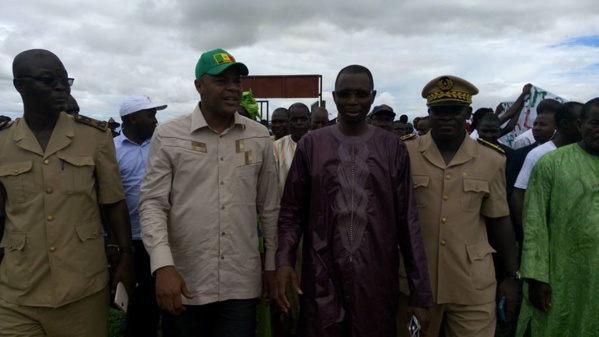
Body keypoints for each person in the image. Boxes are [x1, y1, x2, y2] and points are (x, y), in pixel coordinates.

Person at [275, 64, 433, 337]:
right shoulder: (312, 146)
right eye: (345, 94)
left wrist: (420, 294)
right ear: (334, 97)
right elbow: (292, 212)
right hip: (321, 273)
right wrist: (284, 260)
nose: (352, 101)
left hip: (376, 276)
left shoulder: (392, 147)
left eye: (360, 94)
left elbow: (408, 221)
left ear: (372, 97)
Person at [138, 48, 279, 337]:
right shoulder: (169, 136)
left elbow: (270, 207)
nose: (232, 89)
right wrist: (163, 266)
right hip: (185, 280)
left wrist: (272, 264)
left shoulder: (258, 136)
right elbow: (153, 204)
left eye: (236, 81)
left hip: (240, 281)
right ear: (199, 86)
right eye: (221, 81)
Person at [0, 49, 134, 337]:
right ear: (19, 85)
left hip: (82, 287)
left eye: (65, 80)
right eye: (49, 80)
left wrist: (125, 255)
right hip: (17, 289)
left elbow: (113, 202)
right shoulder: (3, 142)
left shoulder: (94, 137)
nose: (60, 87)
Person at [399, 75, 519, 337]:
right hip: (416, 285)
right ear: (429, 113)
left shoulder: (491, 159)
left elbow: (499, 219)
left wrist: (511, 276)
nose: (446, 117)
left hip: (472, 284)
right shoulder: (404, 154)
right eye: (439, 111)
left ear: (468, 113)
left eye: (454, 110)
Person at [517, 98, 599, 336]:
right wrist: (536, 278)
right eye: (595, 122)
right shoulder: (551, 163)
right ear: (581, 125)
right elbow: (534, 224)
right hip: (562, 274)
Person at [114, 95, 168, 337]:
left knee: (163, 289)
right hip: (131, 237)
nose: (156, 121)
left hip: (162, 233)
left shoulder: (161, 145)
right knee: (139, 293)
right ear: (133, 119)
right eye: (150, 115)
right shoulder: (111, 149)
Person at [271, 102, 311, 336]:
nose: (298, 124)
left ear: (308, 119)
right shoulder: (275, 149)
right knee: (287, 290)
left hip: (317, 232)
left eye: (302, 119)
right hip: (285, 231)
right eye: (293, 120)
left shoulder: (321, 144)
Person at [509, 99, 562, 245]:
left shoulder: (569, 154)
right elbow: (514, 195)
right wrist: (527, 233)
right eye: (535, 124)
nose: (536, 128)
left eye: (543, 125)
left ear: (557, 128)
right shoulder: (521, 155)